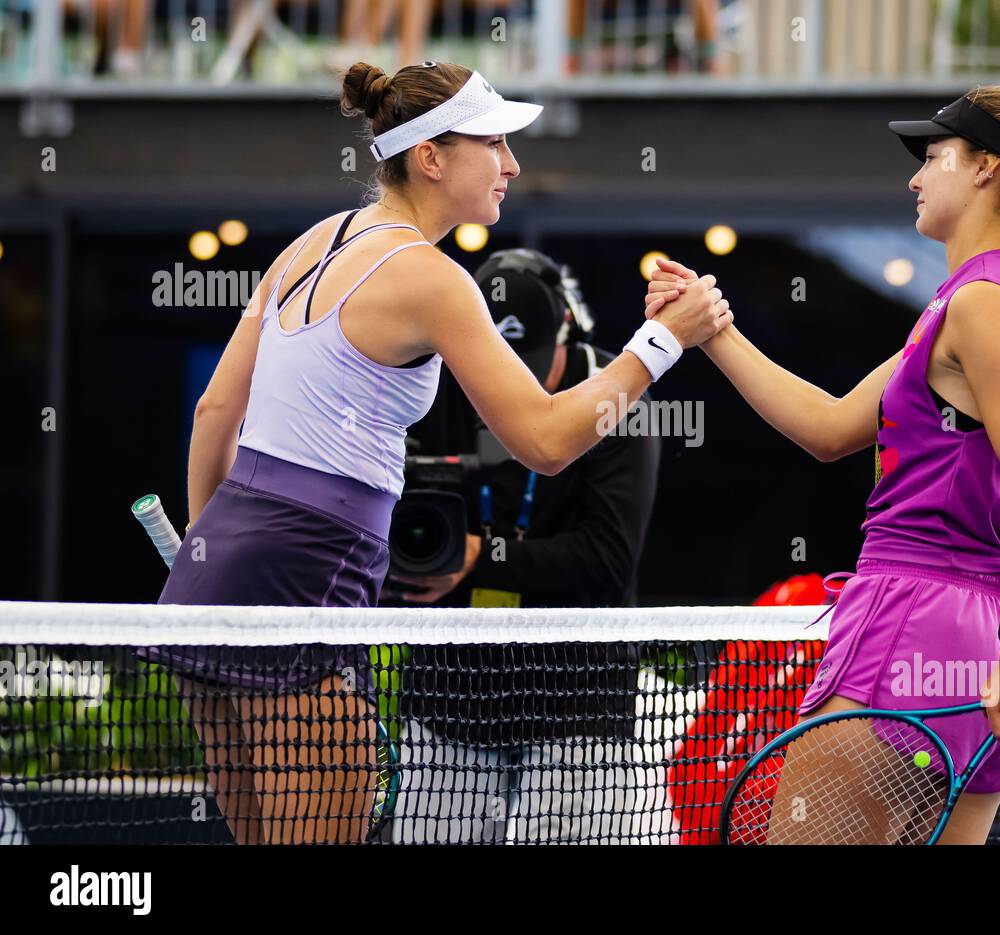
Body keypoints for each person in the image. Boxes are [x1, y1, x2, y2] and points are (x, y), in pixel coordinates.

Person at [143, 61, 730, 845]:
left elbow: (215, 412)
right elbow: (548, 442)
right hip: (306, 570)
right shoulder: (433, 279)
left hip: (212, 579)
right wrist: (663, 343)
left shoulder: (312, 242)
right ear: (432, 157)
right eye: (494, 143)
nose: (513, 164)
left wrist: (214, 544)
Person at [646, 86, 1000, 843]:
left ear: (986, 168)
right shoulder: (971, 301)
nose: (915, 177)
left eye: (933, 157)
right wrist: (713, 328)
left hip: (918, 626)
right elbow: (830, 427)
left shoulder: (986, 303)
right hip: (971, 641)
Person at [384, 248, 665, 842]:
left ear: (568, 325)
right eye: (496, 363)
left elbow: (608, 562)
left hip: (578, 698)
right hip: (450, 694)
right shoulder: (432, 387)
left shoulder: (620, 396)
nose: (515, 389)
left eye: (532, 365)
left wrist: (476, 559)